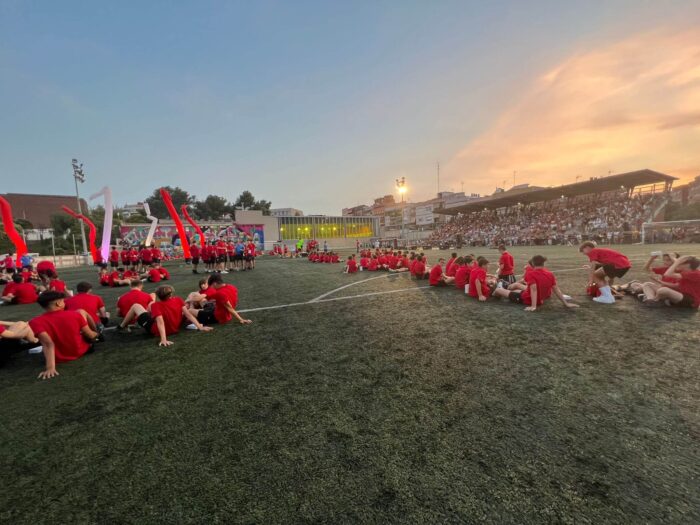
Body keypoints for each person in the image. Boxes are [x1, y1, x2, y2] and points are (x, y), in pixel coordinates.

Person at [29, 291, 101, 380]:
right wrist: (97, 334)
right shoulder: (75, 314)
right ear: (58, 303)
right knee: (91, 330)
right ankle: (98, 329)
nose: (64, 303)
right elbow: (90, 335)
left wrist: (50, 368)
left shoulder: (35, 322)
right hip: (81, 351)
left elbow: (48, 344)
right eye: (63, 301)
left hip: (57, 358)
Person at [118, 285, 212, 345]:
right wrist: (199, 327)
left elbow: (160, 322)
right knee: (150, 308)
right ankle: (126, 325)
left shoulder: (156, 305)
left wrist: (163, 339)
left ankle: (122, 326)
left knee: (135, 306)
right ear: (170, 294)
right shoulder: (178, 300)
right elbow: (188, 315)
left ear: (159, 296)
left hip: (155, 331)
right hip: (175, 328)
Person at [492, 255, 579, 311]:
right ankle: (505, 288)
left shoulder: (531, 274)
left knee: (499, 290)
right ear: (543, 264)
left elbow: (534, 289)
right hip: (534, 296)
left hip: (527, 299)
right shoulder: (550, 274)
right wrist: (566, 303)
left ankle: (495, 293)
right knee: (516, 288)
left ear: (533, 263)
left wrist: (533, 306)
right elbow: (557, 290)